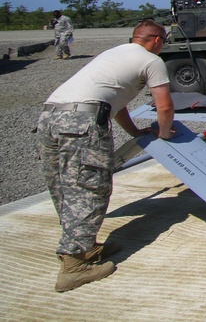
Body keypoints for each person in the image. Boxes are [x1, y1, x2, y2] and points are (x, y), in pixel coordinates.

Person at [36, 19, 176, 292]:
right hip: (81, 123)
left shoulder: (114, 53)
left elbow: (116, 104)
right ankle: (73, 266)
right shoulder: (151, 60)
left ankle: (82, 247)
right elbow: (166, 106)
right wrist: (164, 132)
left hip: (49, 118)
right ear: (157, 41)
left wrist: (135, 130)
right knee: (89, 188)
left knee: (65, 187)